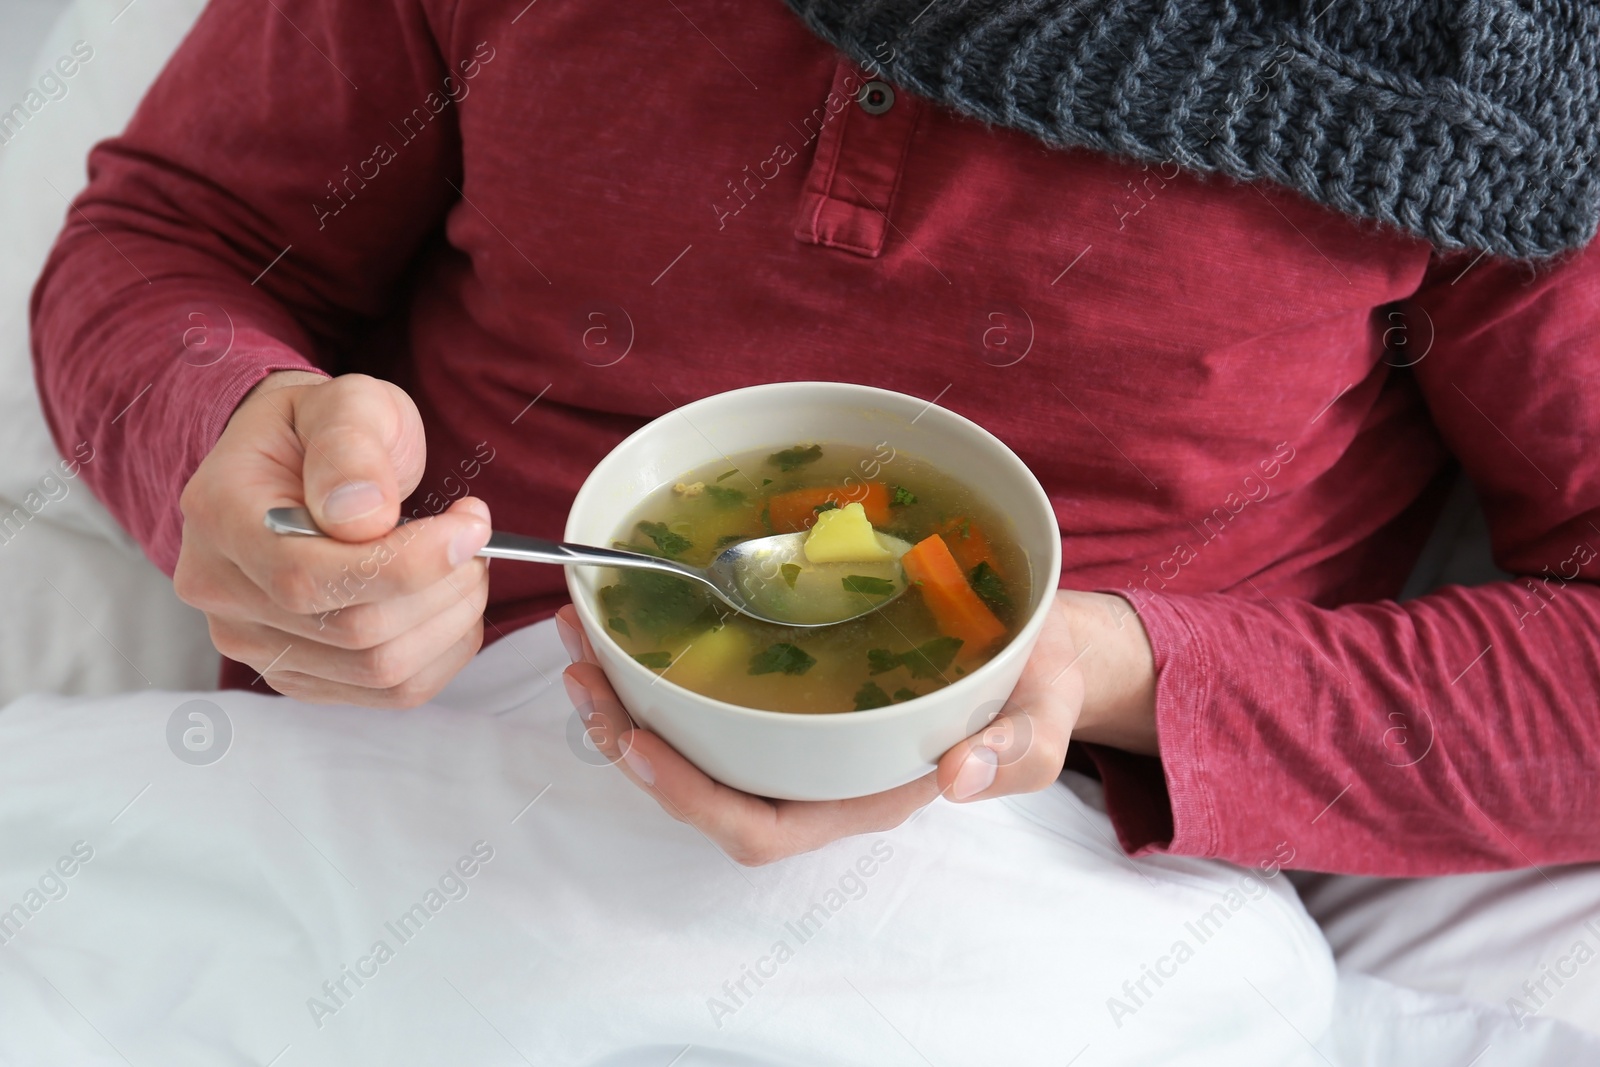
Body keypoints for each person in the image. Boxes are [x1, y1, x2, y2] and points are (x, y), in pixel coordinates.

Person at [30, 0, 1600, 878]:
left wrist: (1107, 671)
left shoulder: (1503, 84)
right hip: (381, 781)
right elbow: (180, 238)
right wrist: (228, 439)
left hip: (1041, 873)